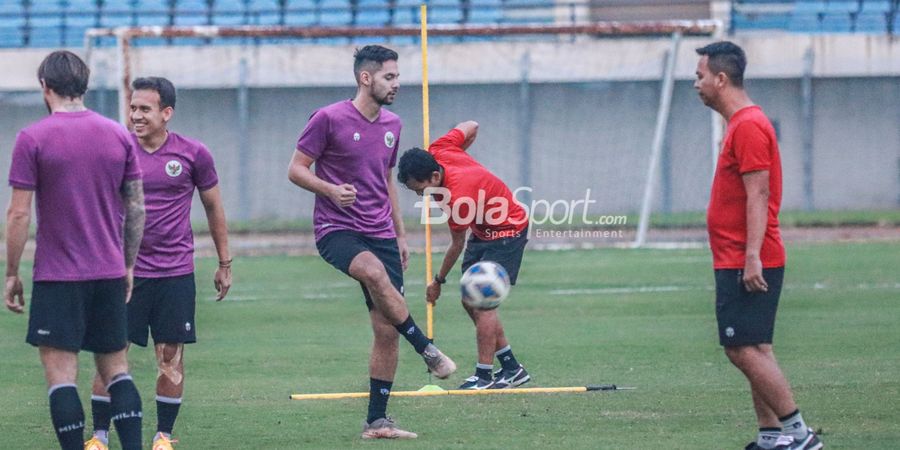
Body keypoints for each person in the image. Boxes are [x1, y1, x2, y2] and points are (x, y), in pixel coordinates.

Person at [287, 45, 456, 440]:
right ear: (366, 78)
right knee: (372, 272)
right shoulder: (327, 118)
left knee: (385, 328)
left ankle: (377, 421)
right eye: (389, 77)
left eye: (397, 76)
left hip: (381, 231)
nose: (397, 84)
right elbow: (295, 169)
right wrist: (329, 190)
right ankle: (428, 349)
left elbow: (384, 179)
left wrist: (399, 234)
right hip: (337, 229)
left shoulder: (393, 124)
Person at [4, 50, 146, 450]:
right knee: (117, 370)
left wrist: (12, 272)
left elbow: (18, 214)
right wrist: (128, 264)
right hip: (108, 272)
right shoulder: (118, 134)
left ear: (44, 87)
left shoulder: (32, 137)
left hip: (58, 277)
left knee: (61, 375)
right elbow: (136, 207)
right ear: (83, 85)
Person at [83, 77, 233, 450]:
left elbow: (213, 207)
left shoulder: (193, 154)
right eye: (133, 108)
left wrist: (224, 261)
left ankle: (163, 436)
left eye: (144, 108)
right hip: (121, 274)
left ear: (167, 113)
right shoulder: (113, 150)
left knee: (170, 357)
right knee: (110, 354)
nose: (135, 115)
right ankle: (99, 437)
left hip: (174, 273)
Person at [694, 41, 823, 450]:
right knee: (755, 347)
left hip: (746, 256)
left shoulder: (748, 124)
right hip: (738, 254)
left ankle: (801, 436)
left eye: (699, 76)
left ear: (721, 78)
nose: (695, 84)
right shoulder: (740, 123)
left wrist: (751, 256)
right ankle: (772, 437)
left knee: (740, 348)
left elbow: (759, 194)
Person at [397, 121, 531, 390]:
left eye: (421, 190)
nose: (422, 196)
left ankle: (483, 375)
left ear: (435, 177)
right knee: (470, 301)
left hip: (507, 230)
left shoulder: (455, 197)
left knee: (482, 302)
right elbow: (472, 125)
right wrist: (465, 157)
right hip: (483, 230)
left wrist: (438, 281)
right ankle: (512, 368)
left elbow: (457, 243)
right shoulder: (440, 148)